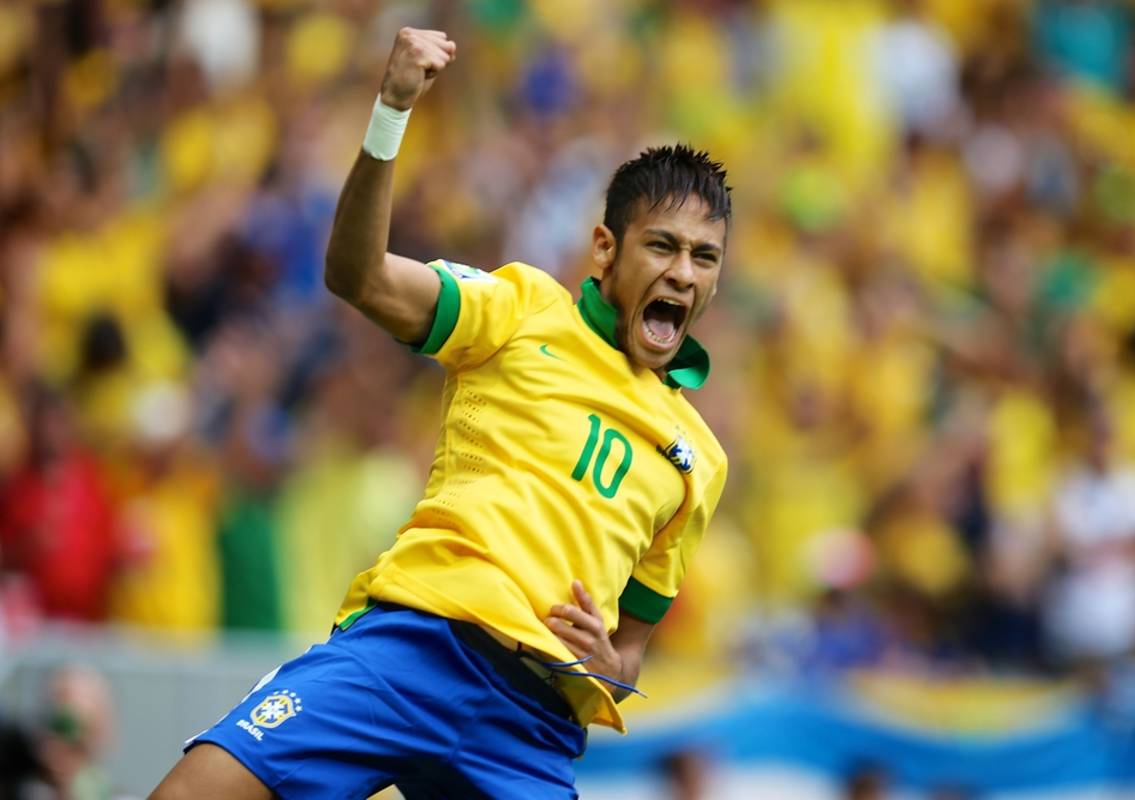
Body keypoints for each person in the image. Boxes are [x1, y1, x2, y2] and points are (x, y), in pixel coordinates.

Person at [152, 26, 730, 800]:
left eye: (704, 256)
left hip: (529, 728)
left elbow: (627, 661)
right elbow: (357, 276)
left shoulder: (700, 462)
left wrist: (606, 668)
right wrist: (391, 111)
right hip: (408, 650)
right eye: (662, 246)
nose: (683, 273)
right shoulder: (522, 308)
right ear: (604, 248)